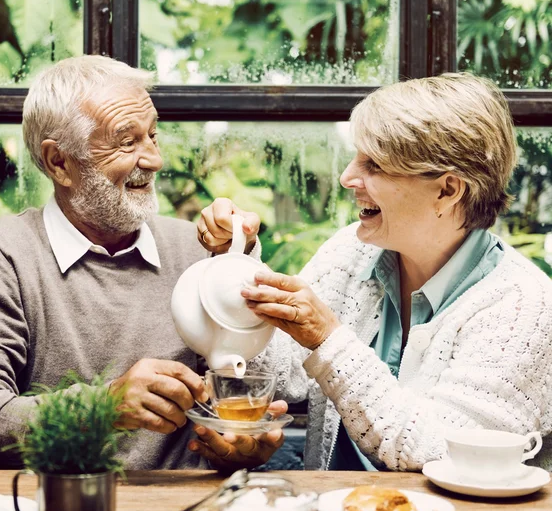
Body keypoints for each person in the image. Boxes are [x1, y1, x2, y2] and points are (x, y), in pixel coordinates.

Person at [193, 73, 552, 472]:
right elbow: (279, 375)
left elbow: (440, 454)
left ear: (449, 191)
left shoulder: (525, 305)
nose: (348, 177)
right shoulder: (352, 250)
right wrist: (237, 266)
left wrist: (328, 338)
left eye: (374, 165)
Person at [0, 55, 284, 470]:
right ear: (59, 162)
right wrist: (102, 407)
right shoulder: (4, 254)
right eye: (127, 142)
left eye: (153, 136)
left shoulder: (195, 249)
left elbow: (237, 397)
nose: (154, 160)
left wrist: (240, 449)